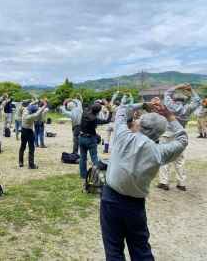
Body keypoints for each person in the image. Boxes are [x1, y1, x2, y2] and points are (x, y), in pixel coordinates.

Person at [101, 101, 188, 260]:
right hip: (135, 204)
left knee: (113, 249)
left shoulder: (122, 135)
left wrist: (143, 104)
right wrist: (169, 116)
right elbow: (183, 139)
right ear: (160, 133)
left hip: (110, 197)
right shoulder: (160, 152)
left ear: (139, 124)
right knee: (140, 249)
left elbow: (122, 109)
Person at [158, 84, 201, 191]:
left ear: (173, 99)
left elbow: (167, 93)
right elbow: (197, 100)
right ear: (184, 100)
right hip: (180, 135)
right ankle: (181, 183)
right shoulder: (188, 108)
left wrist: (177, 87)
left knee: (164, 158)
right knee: (180, 159)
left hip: (167, 134)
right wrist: (191, 90)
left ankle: (164, 182)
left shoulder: (169, 105)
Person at [78, 103, 112, 180]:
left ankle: (83, 175)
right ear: (98, 111)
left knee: (83, 158)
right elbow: (107, 120)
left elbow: (89, 107)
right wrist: (110, 112)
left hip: (81, 137)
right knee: (94, 157)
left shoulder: (85, 113)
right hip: (90, 139)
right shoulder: (94, 119)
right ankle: (98, 175)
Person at [19, 100, 48, 169]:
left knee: (22, 146)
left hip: (23, 130)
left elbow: (30, 104)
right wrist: (44, 105)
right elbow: (37, 113)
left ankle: (21, 162)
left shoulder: (25, 110)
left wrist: (36, 101)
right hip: (29, 131)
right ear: (32, 111)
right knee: (31, 148)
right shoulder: (30, 116)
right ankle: (31, 165)